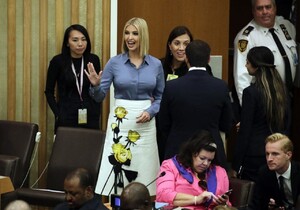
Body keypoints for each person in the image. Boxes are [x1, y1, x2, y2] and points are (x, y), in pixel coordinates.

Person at [85, 17, 164, 196]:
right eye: (127, 33)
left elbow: (161, 98)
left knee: (146, 172)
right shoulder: (114, 63)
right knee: (116, 171)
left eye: (135, 33)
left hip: (145, 124)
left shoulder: (156, 64)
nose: (130, 37)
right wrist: (96, 85)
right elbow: (98, 97)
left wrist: (151, 112)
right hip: (120, 123)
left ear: (143, 36)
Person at [159, 39, 233, 169]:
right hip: (210, 155)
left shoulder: (172, 87)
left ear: (186, 59)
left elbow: (163, 124)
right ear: (208, 59)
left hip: (178, 153)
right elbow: (226, 124)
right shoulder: (221, 86)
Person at [232, 46, 291, 182]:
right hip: (278, 154)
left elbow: (245, 131)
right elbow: (287, 124)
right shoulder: (283, 91)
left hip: (254, 156)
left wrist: (236, 164)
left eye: (247, 62)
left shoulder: (251, 92)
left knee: (255, 198)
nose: (246, 65)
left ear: (255, 66)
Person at [157, 26, 213, 163]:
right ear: (169, 46)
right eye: (177, 43)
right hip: (161, 128)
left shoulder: (200, 69)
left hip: (188, 131)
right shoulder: (159, 65)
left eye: (186, 44)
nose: (181, 48)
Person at [233, 0, 297, 106]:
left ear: (275, 8)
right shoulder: (246, 38)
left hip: (288, 97)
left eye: (268, 7)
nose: (265, 12)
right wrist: (248, 109)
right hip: (266, 100)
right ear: (253, 11)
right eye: (259, 8)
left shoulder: (287, 27)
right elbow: (242, 78)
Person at [45, 24, 101, 133]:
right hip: (66, 116)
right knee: (67, 149)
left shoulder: (93, 60)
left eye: (83, 39)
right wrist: (58, 113)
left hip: (90, 116)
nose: (80, 44)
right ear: (67, 43)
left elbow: (98, 93)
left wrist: (96, 85)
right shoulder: (58, 61)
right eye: (75, 40)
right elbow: (49, 92)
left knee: (90, 149)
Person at [156, 130, 231, 210]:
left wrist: (223, 203)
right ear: (192, 153)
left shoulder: (220, 172)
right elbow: (163, 195)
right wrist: (195, 199)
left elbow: (228, 205)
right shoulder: (171, 166)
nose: (206, 163)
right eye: (202, 158)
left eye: (209, 160)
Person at [249, 133, 300, 210]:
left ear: (288, 155)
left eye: (275, 154)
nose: (269, 159)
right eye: (267, 154)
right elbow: (256, 205)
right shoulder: (264, 172)